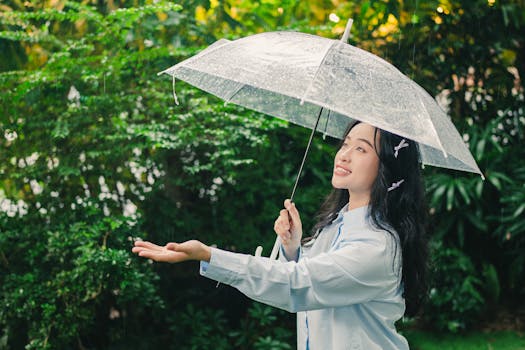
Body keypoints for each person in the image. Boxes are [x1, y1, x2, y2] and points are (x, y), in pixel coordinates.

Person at [132, 121, 429, 350]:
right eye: (346, 143)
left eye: (361, 149)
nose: (344, 155)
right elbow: (311, 278)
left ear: (387, 169)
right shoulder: (336, 225)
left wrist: (209, 255)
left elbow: (297, 285)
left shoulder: (377, 246)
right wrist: (293, 248)